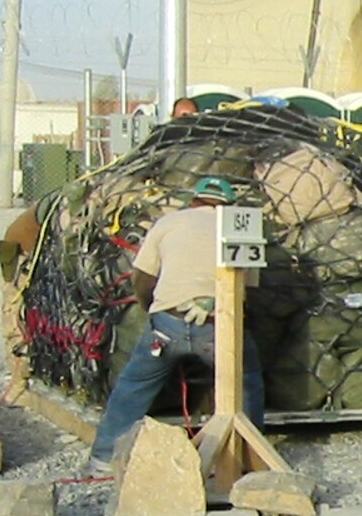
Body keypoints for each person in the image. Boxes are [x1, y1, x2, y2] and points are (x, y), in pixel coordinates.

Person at [89, 176, 265, 471]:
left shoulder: (168, 222)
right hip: (218, 325)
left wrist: (154, 311)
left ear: (193, 201)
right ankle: (248, 458)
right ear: (228, 205)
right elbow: (246, 288)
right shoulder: (240, 228)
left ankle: (104, 458)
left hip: (168, 323)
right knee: (245, 381)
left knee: (134, 384)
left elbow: (142, 278)